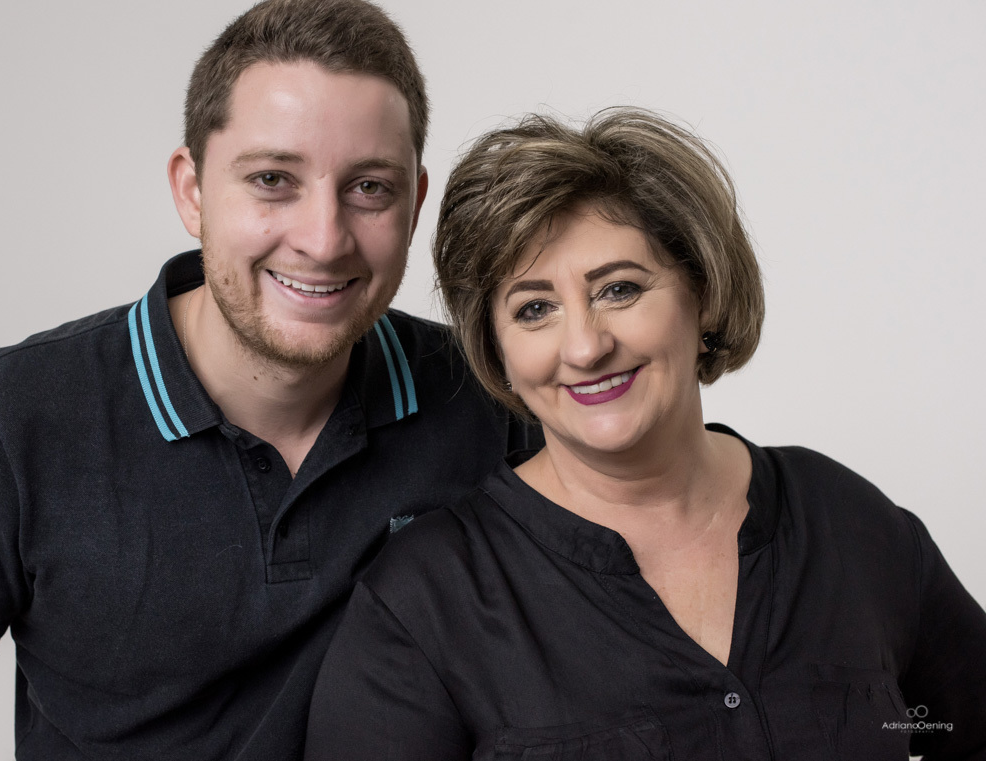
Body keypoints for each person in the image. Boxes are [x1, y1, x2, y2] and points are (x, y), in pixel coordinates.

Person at [0, 0, 537, 761]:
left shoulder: (488, 395)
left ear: (414, 205)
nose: (323, 237)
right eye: (273, 179)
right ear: (192, 190)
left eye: (368, 187)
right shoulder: (14, 417)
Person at [305, 108, 986, 760]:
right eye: (535, 308)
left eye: (620, 289)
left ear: (703, 292)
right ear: (499, 348)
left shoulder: (849, 522)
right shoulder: (426, 602)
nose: (585, 345)